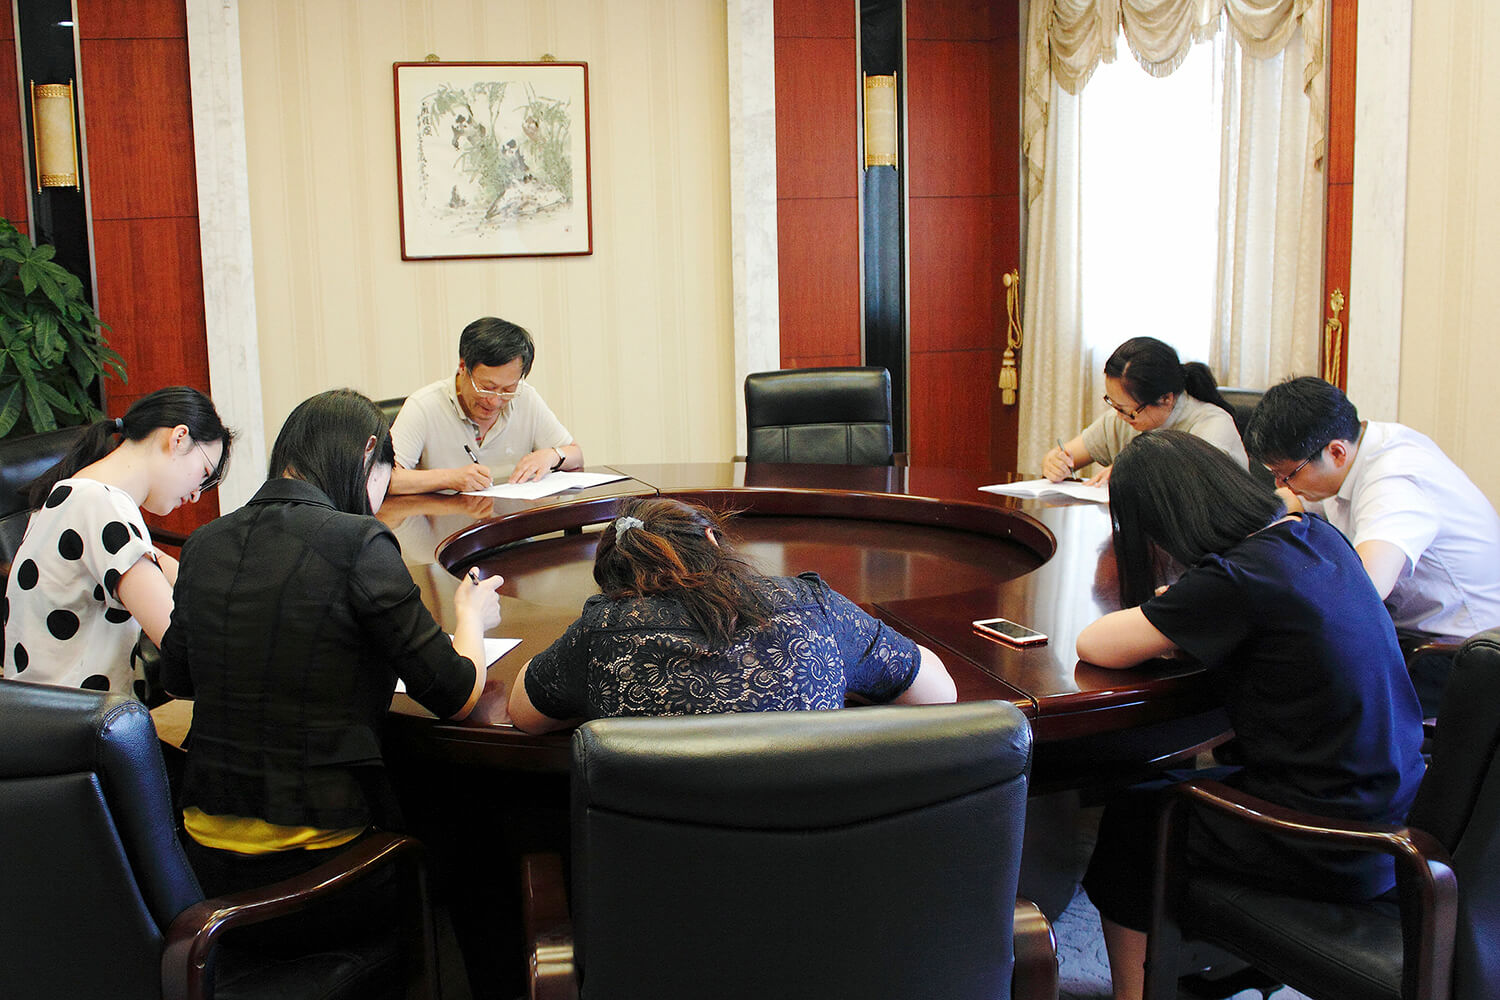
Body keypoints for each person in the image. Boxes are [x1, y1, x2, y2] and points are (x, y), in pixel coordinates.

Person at [1074, 430, 1425, 1000]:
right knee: (1180, 786)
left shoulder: (1237, 577)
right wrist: (1185, 617)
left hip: (1332, 840)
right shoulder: (1314, 536)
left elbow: (1096, 643)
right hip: (1395, 811)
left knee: (1135, 818)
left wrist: (1172, 615)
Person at [158, 389, 505, 898]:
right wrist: (471, 616)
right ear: (369, 453)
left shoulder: (206, 542)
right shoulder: (359, 542)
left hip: (202, 855)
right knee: (464, 832)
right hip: (321, 863)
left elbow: (177, 680)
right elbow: (456, 694)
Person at [508, 497, 957, 732]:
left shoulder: (603, 630)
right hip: (817, 869)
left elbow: (524, 714)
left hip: (663, 877)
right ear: (712, 539)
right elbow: (938, 693)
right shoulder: (811, 608)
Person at [1243, 376, 1500, 715]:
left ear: (1336, 452)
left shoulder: (1394, 480)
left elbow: (1363, 589)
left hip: (1457, 656)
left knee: (1292, 678)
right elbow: (1289, 504)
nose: (1282, 484)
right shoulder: (1355, 450)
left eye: (1287, 474)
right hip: (1412, 634)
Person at [2, 386, 232, 698]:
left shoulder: (77, 493)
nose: (195, 495)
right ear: (179, 438)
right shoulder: (100, 506)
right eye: (204, 473)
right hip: (76, 718)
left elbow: (164, 568)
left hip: (46, 710)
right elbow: (182, 643)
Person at [388, 316, 581, 493]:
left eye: (508, 390)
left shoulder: (526, 398)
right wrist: (449, 478)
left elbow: (576, 454)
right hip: (444, 518)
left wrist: (551, 455)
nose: (495, 401)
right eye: (487, 388)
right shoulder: (423, 406)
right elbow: (386, 479)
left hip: (511, 517)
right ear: (463, 367)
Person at [1042, 337, 1246, 485]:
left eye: (1128, 411)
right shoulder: (1121, 419)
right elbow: (1068, 454)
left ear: (1166, 399)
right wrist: (1054, 463)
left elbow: (1196, 490)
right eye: (1114, 405)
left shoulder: (1213, 424)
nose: (1120, 416)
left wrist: (1133, 472)